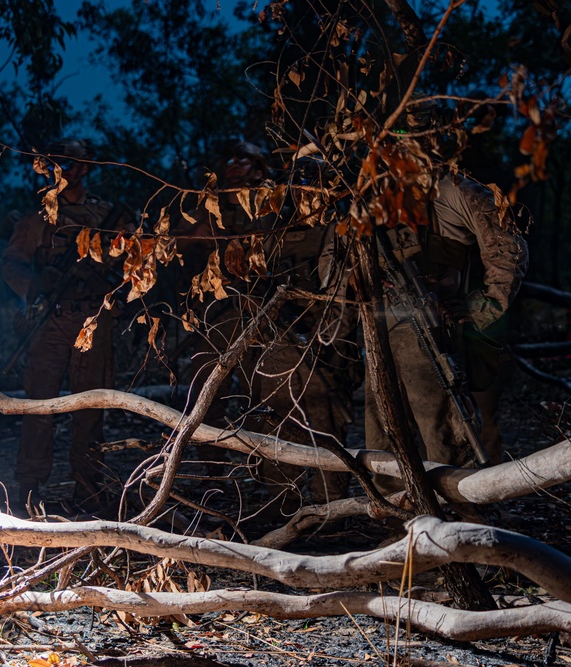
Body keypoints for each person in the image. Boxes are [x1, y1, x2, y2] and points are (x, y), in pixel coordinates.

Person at [177, 141, 360, 516]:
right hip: (239, 318)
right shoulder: (225, 211)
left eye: (247, 161)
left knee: (316, 408)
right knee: (245, 406)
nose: (237, 167)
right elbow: (179, 240)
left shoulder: (303, 214)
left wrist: (328, 328)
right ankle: (258, 492)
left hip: (302, 324)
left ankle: (328, 502)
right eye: (229, 161)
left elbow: (330, 271)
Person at [365, 99, 528, 484]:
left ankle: (458, 512)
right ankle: (394, 507)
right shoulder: (376, 194)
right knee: (382, 422)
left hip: (432, 323)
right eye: (400, 138)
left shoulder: (456, 189)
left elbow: (508, 247)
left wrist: (484, 307)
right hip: (380, 324)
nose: (408, 146)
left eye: (420, 137)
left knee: (439, 422)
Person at [1, 138, 130, 515]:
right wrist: (38, 282)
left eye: (72, 163)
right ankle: (29, 489)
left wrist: (117, 295)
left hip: (94, 320)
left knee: (91, 410)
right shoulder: (36, 220)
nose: (64, 170)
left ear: (86, 167)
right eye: (56, 163)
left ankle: (90, 490)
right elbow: (12, 264)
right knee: (39, 408)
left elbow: (135, 265)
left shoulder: (110, 217)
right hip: (52, 321)